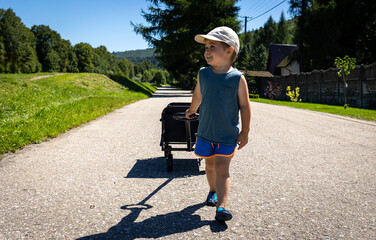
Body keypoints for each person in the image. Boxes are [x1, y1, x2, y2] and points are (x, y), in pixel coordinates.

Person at [185, 26, 252, 222]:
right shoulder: (203, 74)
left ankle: (222, 207)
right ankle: (212, 190)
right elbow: (198, 95)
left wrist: (245, 132)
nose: (206, 51)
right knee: (210, 166)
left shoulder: (237, 79)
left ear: (229, 50)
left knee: (222, 169)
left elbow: (245, 107)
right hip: (205, 132)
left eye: (212, 47)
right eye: (205, 48)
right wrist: (192, 110)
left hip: (227, 135)